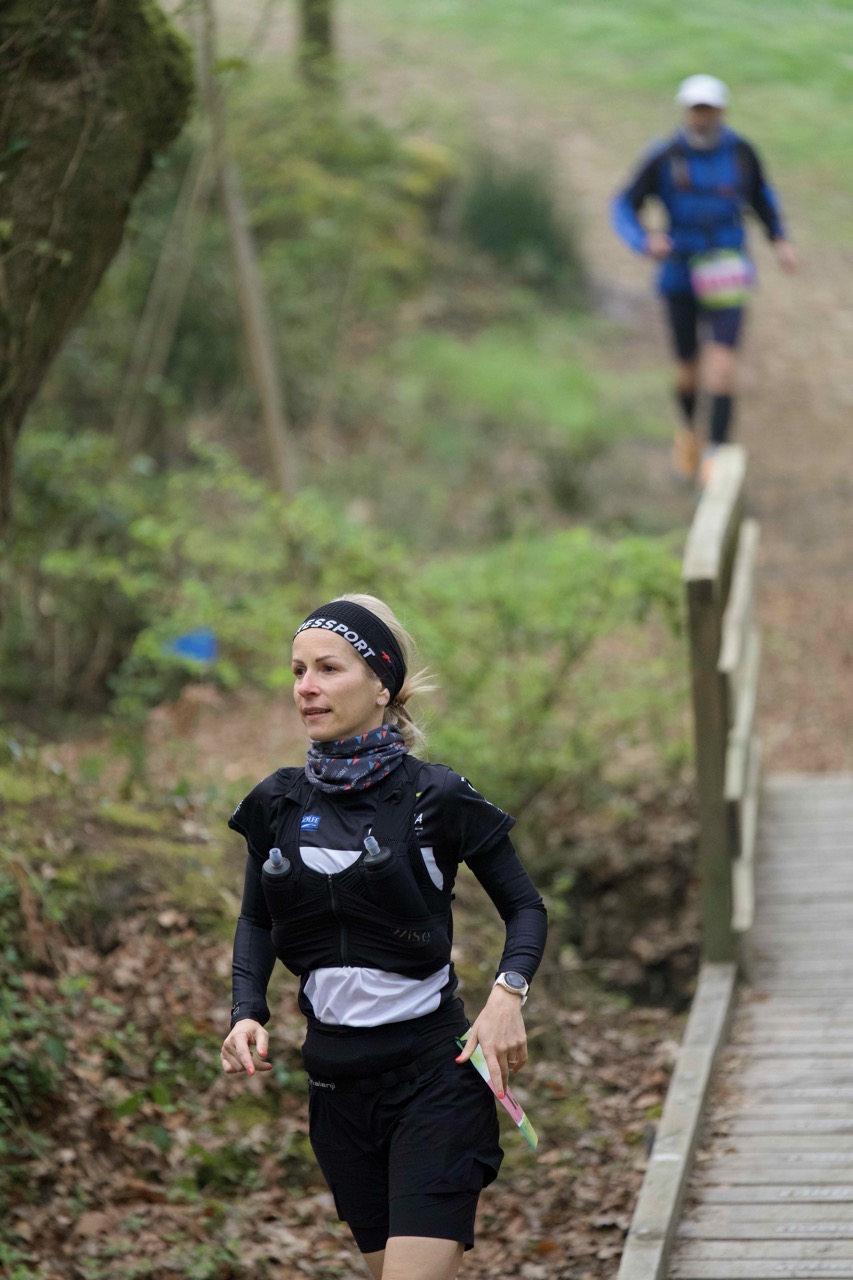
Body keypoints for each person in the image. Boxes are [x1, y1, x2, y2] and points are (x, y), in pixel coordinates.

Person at [220, 594, 548, 1280]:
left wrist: (507, 993)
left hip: (433, 1081)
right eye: (298, 671)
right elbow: (256, 920)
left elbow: (524, 906)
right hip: (336, 1092)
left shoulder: (435, 796)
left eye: (328, 668)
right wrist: (246, 1011)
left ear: (381, 685)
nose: (306, 687)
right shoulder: (277, 803)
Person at [611, 73, 798, 484]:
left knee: (723, 364)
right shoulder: (664, 156)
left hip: (727, 270)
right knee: (688, 368)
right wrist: (643, 240)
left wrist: (779, 239)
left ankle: (717, 452)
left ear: (721, 111)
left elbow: (761, 197)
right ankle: (688, 434)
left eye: (709, 108)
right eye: (696, 108)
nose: (702, 115)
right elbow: (624, 204)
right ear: (685, 110)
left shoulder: (741, 153)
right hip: (679, 272)